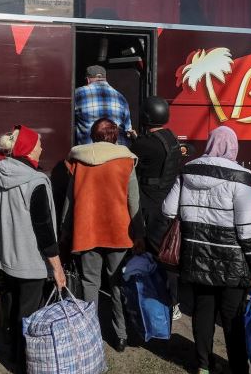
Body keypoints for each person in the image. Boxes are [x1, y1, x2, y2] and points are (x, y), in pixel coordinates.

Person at [162, 126, 251, 374]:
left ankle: (203, 366)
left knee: (202, 311)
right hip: (232, 260)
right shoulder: (242, 178)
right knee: (232, 316)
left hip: (195, 255)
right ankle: (239, 368)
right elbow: (248, 231)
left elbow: (168, 209)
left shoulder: (188, 170)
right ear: (233, 146)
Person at [0, 125, 66, 374]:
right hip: (30, 261)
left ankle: (13, 352)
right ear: (27, 148)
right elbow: (44, 228)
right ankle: (26, 363)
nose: (42, 147)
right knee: (29, 316)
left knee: (13, 306)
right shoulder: (36, 181)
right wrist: (57, 267)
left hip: (4, 257)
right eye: (38, 144)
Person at [61, 118, 146, 352]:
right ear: (115, 136)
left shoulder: (78, 160)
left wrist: (65, 230)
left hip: (86, 231)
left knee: (89, 283)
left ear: (93, 135)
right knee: (117, 284)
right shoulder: (126, 160)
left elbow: (70, 200)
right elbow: (134, 201)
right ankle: (120, 335)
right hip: (119, 232)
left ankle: (91, 334)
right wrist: (139, 234)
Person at [129, 96, 182, 320]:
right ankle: (174, 300)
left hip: (149, 204)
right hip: (168, 201)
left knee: (152, 254)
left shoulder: (143, 144)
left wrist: (135, 139)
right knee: (166, 254)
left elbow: (137, 159)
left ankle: (161, 300)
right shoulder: (171, 139)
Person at [74, 65, 134, 146]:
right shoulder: (121, 97)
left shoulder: (78, 93)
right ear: (105, 79)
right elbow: (128, 130)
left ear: (87, 80)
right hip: (117, 152)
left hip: (90, 153)